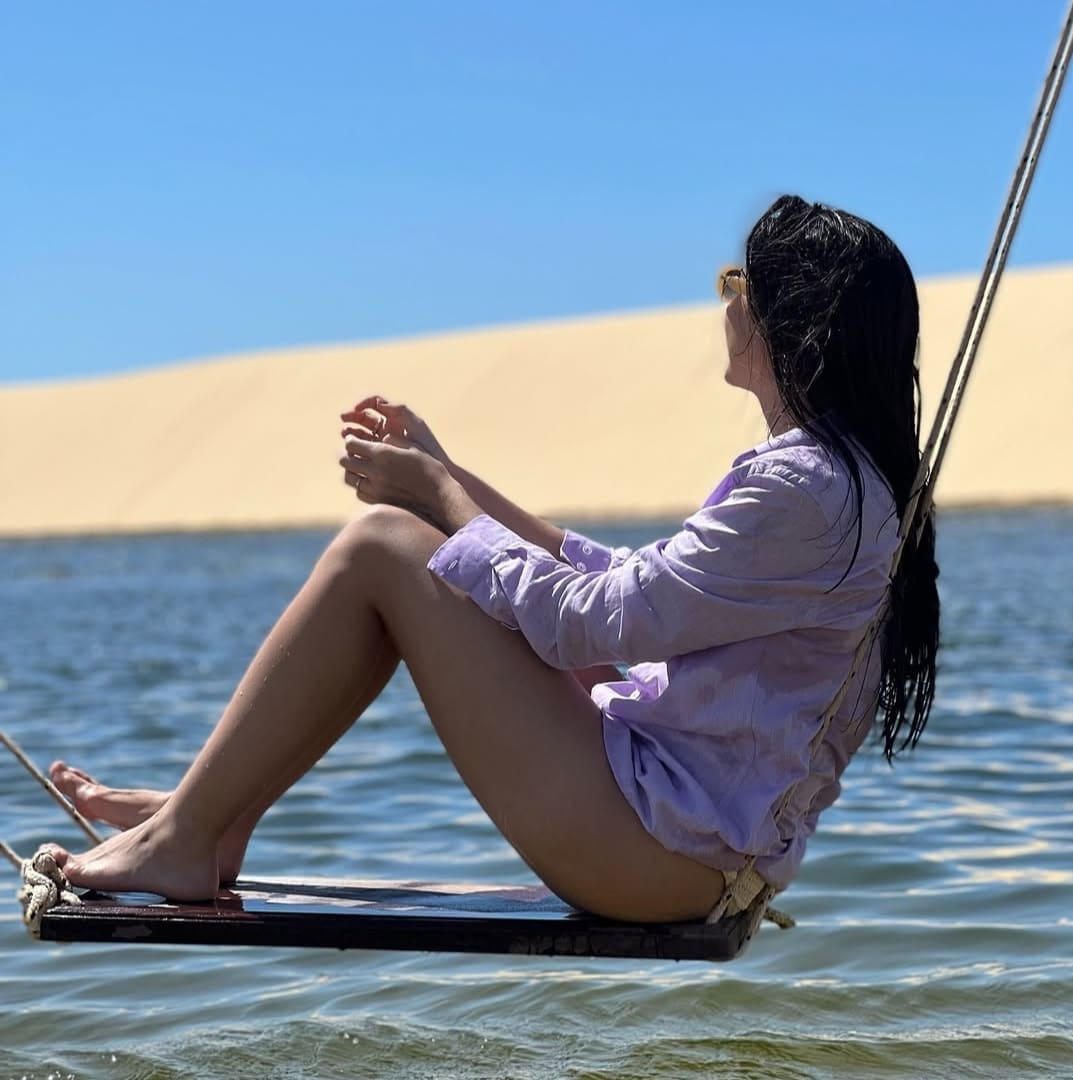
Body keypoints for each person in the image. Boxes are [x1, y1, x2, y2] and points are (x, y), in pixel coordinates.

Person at [45, 195, 940, 923]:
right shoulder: (841, 483)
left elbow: (585, 623)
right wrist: (448, 476)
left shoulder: (806, 488)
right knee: (414, 543)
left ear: (789, 322)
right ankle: (210, 817)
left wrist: (437, 499)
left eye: (737, 280)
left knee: (381, 549)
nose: (726, 300)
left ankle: (190, 835)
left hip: (662, 856)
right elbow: (619, 584)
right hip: (686, 837)